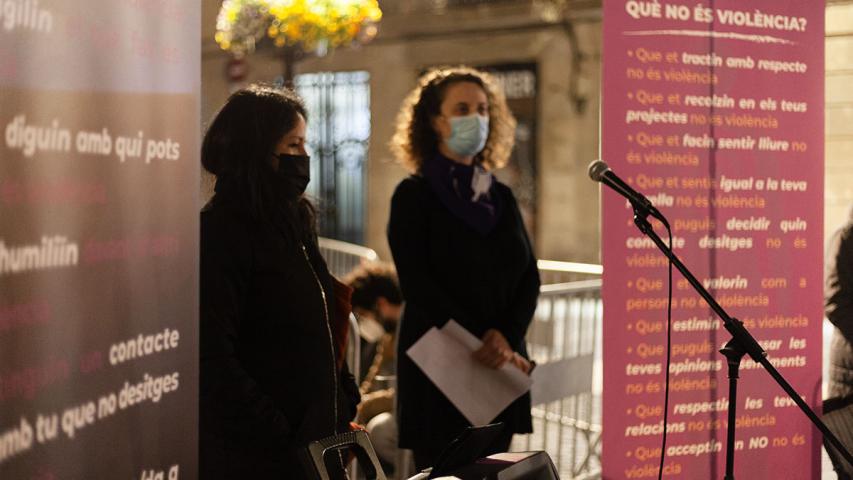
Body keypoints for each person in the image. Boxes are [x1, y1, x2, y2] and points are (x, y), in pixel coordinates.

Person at [199, 85, 360, 479]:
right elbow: (214, 355)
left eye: (305, 145)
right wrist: (280, 430)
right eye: (293, 146)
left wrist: (342, 398)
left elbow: (321, 319)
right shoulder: (222, 229)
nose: (303, 158)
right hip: (261, 458)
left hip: (316, 446)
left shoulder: (295, 222)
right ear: (254, 149)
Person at [387, 66, 540, 471]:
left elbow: (529, 275)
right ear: (436, 121)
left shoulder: (501, 196)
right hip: (441, 364)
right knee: (445, 473)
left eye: (484, 108)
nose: (477, 118)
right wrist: (483, 340)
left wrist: (505, 336)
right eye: (462, 108)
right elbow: (418, 283)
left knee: (494, 471)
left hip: (498, 364)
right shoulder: (412, 196)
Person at [344, 261, 404, 470]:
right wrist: (357, 403)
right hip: (400, 408)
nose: (362, 323)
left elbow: (403, 393)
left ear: (380, 304)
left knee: (380, 430)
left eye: (362, 314)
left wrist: (365, 405)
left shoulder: (411, 326)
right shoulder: (389, 335)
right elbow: (374, 376)